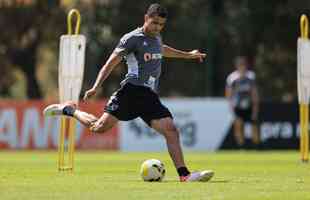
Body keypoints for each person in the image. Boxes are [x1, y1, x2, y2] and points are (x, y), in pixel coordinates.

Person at [44, 3, 213, 182]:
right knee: (98, 128)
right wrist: (96, 86)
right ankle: (70, 110)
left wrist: (188, 55)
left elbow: (162, 50)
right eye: (154, 23)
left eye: (161, 25)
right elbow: (111, 62)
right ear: (146, 18)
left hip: (149, 96)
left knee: (171, 131)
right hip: (131, 92)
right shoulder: (132, 38)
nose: (157, 27)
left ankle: (184, 175)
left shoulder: (157, 37)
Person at [225, 56, 260, 149]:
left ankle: (256, 146)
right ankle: (241, 146)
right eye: (240, 65)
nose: (242, 67)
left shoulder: (251, 77)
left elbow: (254, 93)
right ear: (237, 66)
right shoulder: (232, 78)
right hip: (237, 106)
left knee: (254, 125)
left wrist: (255, 109)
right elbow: (229, 94)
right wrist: (231, 107)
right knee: (239, 125)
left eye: (243, 65)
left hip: (249, 106)